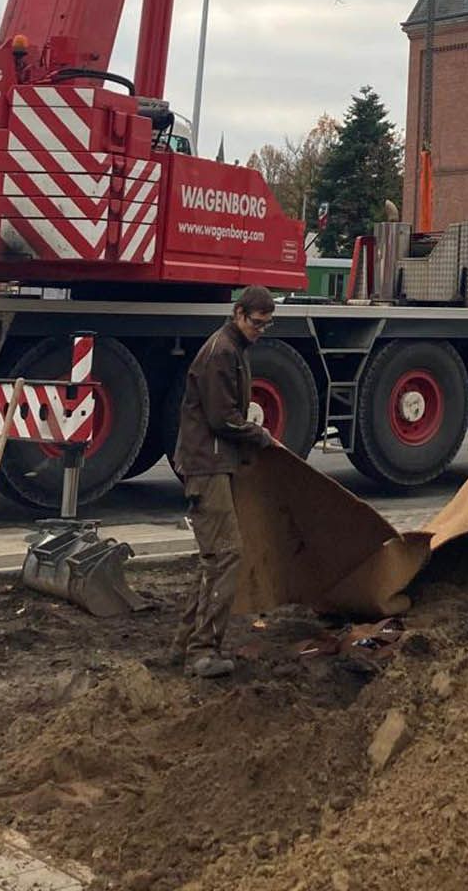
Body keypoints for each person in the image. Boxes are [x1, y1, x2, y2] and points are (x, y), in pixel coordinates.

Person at [172, 284, 275, 677]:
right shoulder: (222, 353)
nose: (260, 331)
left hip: (213, 463)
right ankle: (202, 651)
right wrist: (259, 437)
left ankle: (185, 645)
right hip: (207, 466)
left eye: (267, 325)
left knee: (214, 558)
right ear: (238, 314)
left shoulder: (232, 350)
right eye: (256, 323)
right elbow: (222, 419)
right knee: (227, 554)